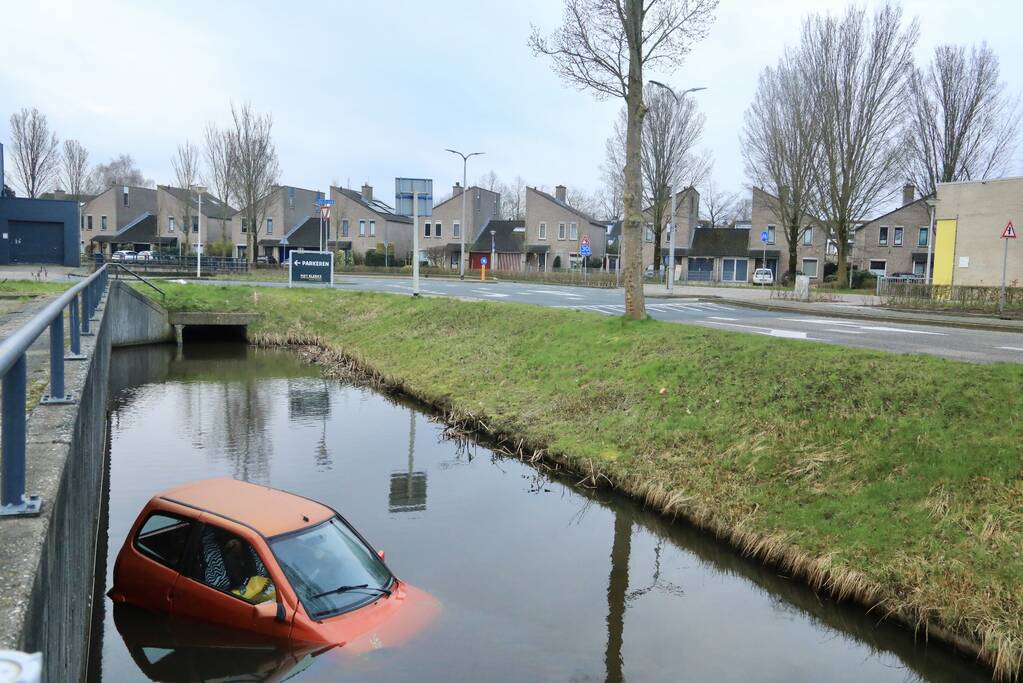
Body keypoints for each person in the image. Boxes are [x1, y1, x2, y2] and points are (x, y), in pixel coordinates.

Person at [222, 537, 276, 604]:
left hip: (251, 579)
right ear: (233, 549)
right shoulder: (230, 561)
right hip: (240, 584)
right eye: (238, 548)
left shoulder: (243, 553)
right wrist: (240, 585)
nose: (240, 549)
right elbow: (234, 576)